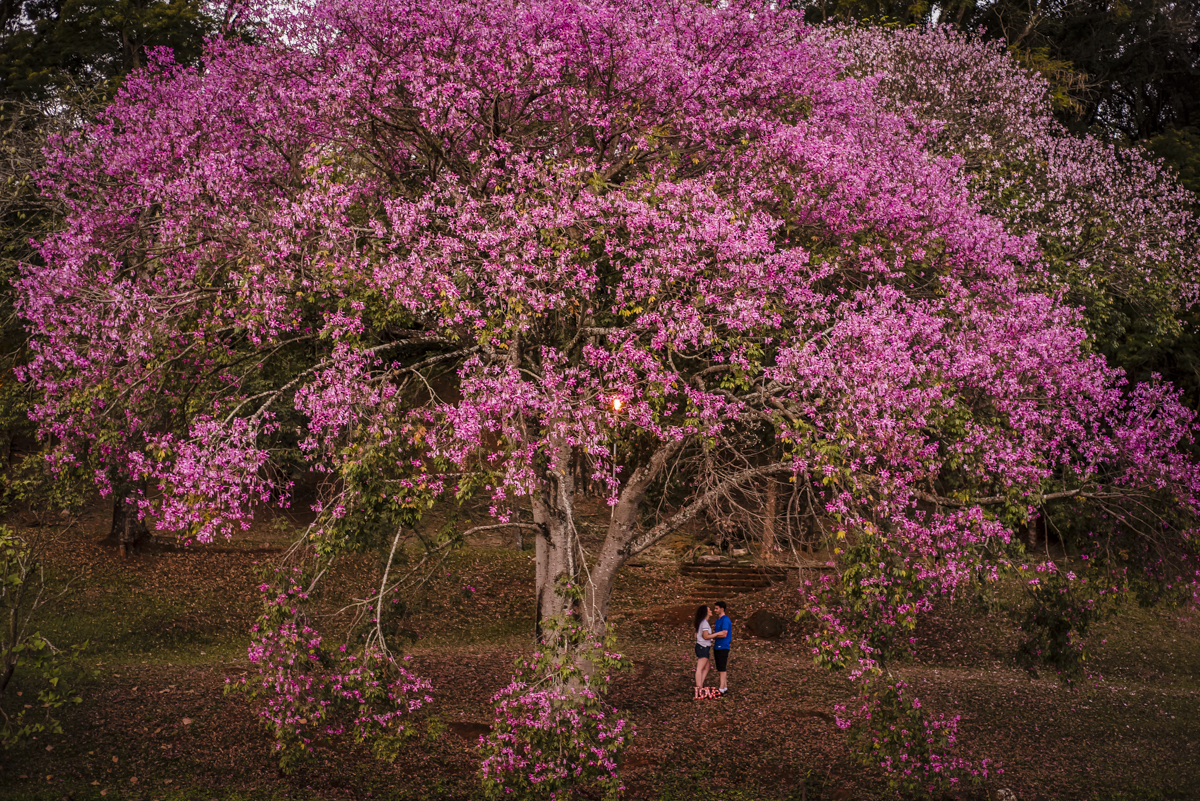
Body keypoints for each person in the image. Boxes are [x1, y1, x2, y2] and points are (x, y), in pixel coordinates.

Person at [693, 605, 714, 699]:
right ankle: (699, 689)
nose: (711, 611)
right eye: (709, 610)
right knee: (700, 668)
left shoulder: (702, 622)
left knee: (707, 667)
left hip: (702, 646)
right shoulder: (704, 623)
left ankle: (700, 685)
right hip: (703, 647)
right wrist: (716, 635)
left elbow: (697, 635)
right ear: (705, 612)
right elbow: (705, 636)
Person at [711, 601, 732, 696]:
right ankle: (725, 687)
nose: (715, 610)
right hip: (717, 645)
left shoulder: (725, 620)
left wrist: (712, 635)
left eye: (716, 608)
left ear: (722, 609)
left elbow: (724, 633)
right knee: (720, 667)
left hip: (723, 646)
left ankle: (721, 688)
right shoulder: (718, 620)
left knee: (722, 668)